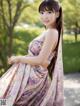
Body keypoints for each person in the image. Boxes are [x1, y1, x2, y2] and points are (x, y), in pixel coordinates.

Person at [0, 0, 64, 106]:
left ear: (57, 14)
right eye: (42, 13)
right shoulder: (48, 32)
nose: (45, 16)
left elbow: (40, 60)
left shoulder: (52, 32)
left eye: (49, 12)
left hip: (33, 78)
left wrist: (18, 58)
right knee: (6, 100)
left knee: (8, 101)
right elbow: (46, 61)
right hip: (29, 74)